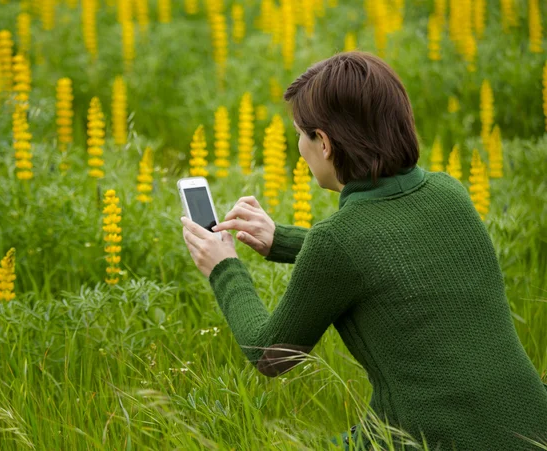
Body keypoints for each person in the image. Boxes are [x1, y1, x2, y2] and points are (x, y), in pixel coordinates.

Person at [180, 51, 547, 450]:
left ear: (324, 143)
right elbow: (390, 262)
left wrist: (225, 268)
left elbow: (271, 355)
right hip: (532, 424)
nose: (299, 147)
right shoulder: (449, 193)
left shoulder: (338, 241)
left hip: (436, 438)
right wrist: (279, 240)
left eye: (302, 134)